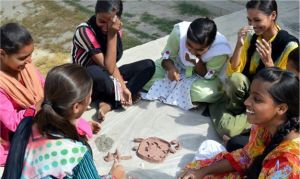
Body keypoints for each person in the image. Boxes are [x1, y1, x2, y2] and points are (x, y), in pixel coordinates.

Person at [2, 64, 125, 179]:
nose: (90, 99)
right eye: (90, 96)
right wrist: (113, 175)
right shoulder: (76, 154)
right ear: (76, 107)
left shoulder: (28, 124)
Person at [0, 23, 98, 167]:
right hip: (18, 132)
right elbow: (12, 122)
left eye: (31, 54)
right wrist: (36, 107)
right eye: (23, 58)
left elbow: (48, 87)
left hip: (38, 117)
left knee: (78, 139)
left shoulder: (27, 67)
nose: (30, 61)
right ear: (2, 54)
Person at [179, 67, 299, 179]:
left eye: (257, 99)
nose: (246, 102)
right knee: (195, 170)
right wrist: (201, 172)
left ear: (281, 109)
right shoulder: (262, 126)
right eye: (250, 95)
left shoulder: (288, 164)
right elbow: (245, 158)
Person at [208, 0, 299, 141]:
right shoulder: (251, 36)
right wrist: (239, 44)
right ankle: (238, 114)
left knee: (229, 130)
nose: (252, 25)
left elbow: (284, 90)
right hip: (249, 96)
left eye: (257, 20)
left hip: (266, 103)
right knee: (235, 80)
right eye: (249, 20)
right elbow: (232, 73)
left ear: (273, 15)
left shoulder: (289, 46)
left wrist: (269, 63)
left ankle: (218, 106)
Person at [71, 0, 155, 120]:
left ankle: (109, 102)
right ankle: (114, 100)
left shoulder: (116, 29)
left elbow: (112, 65)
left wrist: (123, 87)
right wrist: (112, 35)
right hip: (87, 83)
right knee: (94, 71)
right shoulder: (84, 31)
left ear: (118, 19)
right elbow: (108, 67)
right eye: (101, 21)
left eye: (110, 22)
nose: (105, 27)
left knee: (148, 65)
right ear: (95, 14)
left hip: (107, 75)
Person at [143, 17, 232, 110]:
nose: (192, 52)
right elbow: (166, 57)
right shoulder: (179, 33)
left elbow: (208, 75)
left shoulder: (220, 51)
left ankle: (175, 91)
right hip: (177, 64)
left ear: (210, 45)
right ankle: (182, 95)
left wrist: (196, 62)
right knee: (147, 74)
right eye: (189, 45)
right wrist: (170, 68)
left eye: (200, 50)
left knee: (205, 93)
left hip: (199, 76)